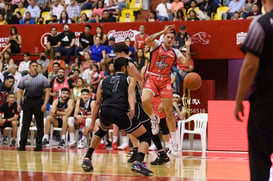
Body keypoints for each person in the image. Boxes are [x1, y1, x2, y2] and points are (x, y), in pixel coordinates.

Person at [81, 57, 153, 176]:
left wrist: (92, 123)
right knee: (145, 137)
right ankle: (138, 162)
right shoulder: (130, 78)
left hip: (105, 111)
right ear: (125, 68)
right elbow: (131, 94)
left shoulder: (103, 81)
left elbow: (98, 102)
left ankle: (87, 158)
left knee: (101, 131)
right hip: (120, 111)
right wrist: (132, 108)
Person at [234, 0, 273, 179]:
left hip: (266, 102)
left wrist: (239, 99)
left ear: (264, 2)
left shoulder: (260, 24)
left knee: (259, 158)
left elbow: (250, 66)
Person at [142, 25, 191, 155]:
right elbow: (147, 41)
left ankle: (174, 144)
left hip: (165, 81)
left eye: (171, 38)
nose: (169, 39)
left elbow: (186, 64)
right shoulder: (157, 44)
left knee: (169, 113)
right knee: (144, 99)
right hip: (152, 77)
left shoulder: (175, 52)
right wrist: (162, 31)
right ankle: (153, 119)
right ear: (164, 37)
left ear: (174, 40)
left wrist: (188, 47)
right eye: (167, 37)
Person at [17, 61, 50, 151]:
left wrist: (44, 104)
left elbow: (47, 92)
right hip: (27, 102)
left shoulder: (43, 78)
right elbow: (19, 92)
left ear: (38, 68)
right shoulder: (24, 78)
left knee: (40, 125)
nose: (35, 67)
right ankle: (22, 145)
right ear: (29, 68)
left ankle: (38, 146)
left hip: (38, 101)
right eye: (33, 66)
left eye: (36, 66)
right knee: (25, 124)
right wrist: (18, 104)